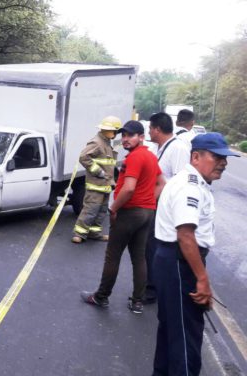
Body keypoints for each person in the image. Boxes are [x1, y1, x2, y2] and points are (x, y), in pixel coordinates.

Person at [152, 132, 238, 375]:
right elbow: (186, 236)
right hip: (180, 263)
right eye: (217, 156)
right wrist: (202, 278)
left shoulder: (192, 182)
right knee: (185, 339)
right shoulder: (190, 187)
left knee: (171, 331)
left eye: (225, 158)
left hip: (174, 260)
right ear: (196, 156)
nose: (223, 162)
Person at [80, 120, 164, 314]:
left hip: (130, 212)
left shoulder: (134, 158)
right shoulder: (151, 157)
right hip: (147, 213)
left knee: (113, 256)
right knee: (139, 257)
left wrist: (114, 209)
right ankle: (137, 302)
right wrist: (149, 200)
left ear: (141, 137)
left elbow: (128, 188)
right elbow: (161, 183)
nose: (125, 139)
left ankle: (101, 297)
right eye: (123, 135)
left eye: (130, 135)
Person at [145, 111, 191, 303]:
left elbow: (182, 181)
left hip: (168, 209)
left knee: (159, 248)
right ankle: (153, 285)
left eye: (150, 128)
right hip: (158, 206)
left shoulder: (178, 148)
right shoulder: (161, 147)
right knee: (151, 247)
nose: (149, 132)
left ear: (157, 129)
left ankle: (156, 288)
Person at [71, 115, 121, 243]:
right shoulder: (97, 142)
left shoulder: (106, 143)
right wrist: (98, 172)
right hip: (95, 186)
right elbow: (83, 157)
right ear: (106, 130)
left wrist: (111, 181)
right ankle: (79, 234)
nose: (116, 133)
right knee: (90, 209)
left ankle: (94, 233)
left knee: (101, 211)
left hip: (105, 185)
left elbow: (108, 164)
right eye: (114, 130)